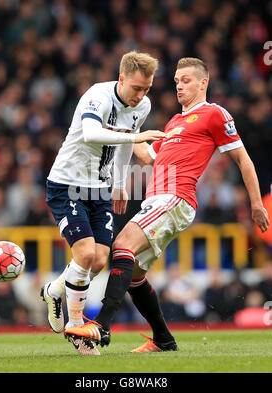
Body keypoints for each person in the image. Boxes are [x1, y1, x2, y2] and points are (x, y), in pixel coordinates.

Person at [65, 57, 270, 353]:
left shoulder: (213, 113)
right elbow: (147, 157)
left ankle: (100, 326)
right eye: (176, 81)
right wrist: (123, 127)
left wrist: (256, 204)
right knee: (134, 275)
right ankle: (163, 339)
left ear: (203, 83)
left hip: (175, 197)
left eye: (186, 80)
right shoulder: (174, 122)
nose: (179, 86)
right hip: (157, 200)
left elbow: (243, 159)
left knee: (121, 245)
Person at [40, 51, 165, 355]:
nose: (141, 95)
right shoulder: (97, 95)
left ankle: (55, 290)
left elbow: (123, 146)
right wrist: (137, 139)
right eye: (137, 88)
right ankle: (78, 331)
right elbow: (93, 133)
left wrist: (120, 184)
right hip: (67, 184)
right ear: (121, 79)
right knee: (83, 254)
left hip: (99, 189)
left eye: (147, 88)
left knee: (98, 261)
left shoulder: (142, 106)